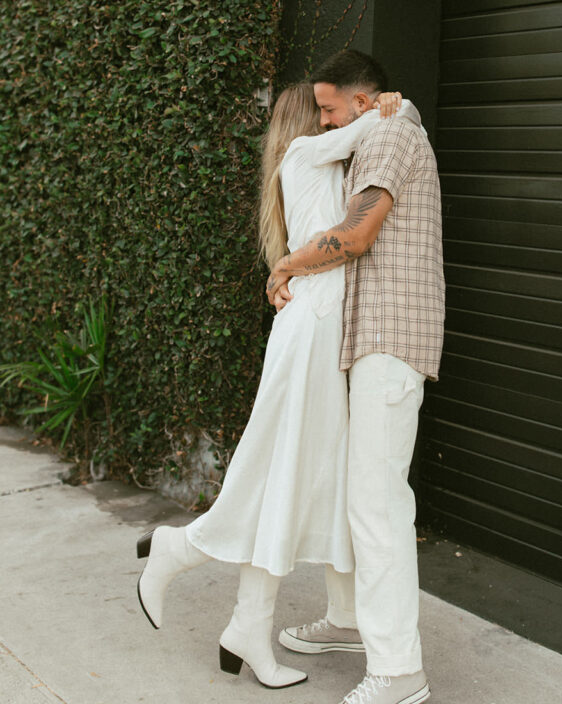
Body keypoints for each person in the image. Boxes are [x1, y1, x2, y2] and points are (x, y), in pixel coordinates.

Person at [134, 81, 420, 690]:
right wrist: (393, 106)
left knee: (289, 479)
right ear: (304, 122)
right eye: (319, 112)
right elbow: (361, 133)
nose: (328, 118)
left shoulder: (324, 167)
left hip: (323, 330)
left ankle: (247, 623)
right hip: (313, 328)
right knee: (277, 471)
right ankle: (181, 547)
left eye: (331, 107)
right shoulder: (304, 153)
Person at [266, 49, 445, 704]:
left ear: (363, 102)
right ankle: (347, 622)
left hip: (390, 341)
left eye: (328, 107)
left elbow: (357, 231)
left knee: (376, 503)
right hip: (363, 340)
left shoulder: (391, 133)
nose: (321, 118)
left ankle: (399, 672)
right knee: (352, 493)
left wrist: (287, 264)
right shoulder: (377, 130)